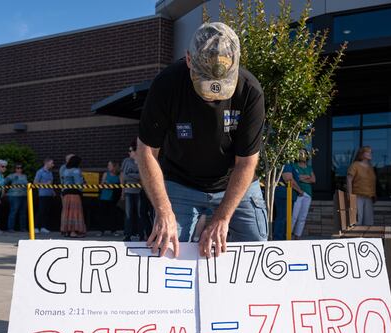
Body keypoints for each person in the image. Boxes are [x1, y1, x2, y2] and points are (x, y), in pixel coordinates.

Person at [137, 22, 266, 258]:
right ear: (188, 59)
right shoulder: (166, 86)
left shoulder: (250, 91)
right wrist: (164, 211)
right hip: (180, 181)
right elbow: (146, 152)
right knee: (165, 249)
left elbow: (246, 163)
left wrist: (223, 217)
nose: (213, 95)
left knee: (256, 249)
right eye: (205, 82)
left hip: (235, 182)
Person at [347, 146, 376, 226]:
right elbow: (349, 179)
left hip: (369, 197)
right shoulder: (355, 165)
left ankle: (367, 238)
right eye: (368, 152)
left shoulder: (370, 167)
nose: (370, 154)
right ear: (362, 154)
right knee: (357, 220)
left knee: (369, 222)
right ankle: (356, 238)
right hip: (358, 196)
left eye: (371, 152)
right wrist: (350, 195)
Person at [291, 150, 316, 239]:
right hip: (298, 193)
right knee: (294, 216)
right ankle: (288, 235)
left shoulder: (309, 167)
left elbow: (313, 180)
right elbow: (295, 178)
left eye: (304, 153)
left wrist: (301, 178)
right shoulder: (293, 166)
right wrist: (306, 177)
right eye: (300, 153)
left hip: (308, 194)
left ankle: (297, 236)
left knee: (303, 217)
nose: (302, 155)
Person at [60, 155, 86, 237]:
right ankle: (73, 231)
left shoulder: (65, 171)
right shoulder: (76, 171)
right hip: (74, 194)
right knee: (74, 212)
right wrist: (83, 183)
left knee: (66, 212)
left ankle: (67, 230)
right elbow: (78, 184)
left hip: (66, 194)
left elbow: (63, 182)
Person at [121, 141, 142, 241]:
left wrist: (131, 175)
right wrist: (123, 191)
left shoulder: (141, 161)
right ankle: (127, 234)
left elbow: (142, 176)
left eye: (130, 151)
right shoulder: (126, 161)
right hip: (128, 191)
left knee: (139, 213)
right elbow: (123, 176)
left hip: (140, 191)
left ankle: (141, 234)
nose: (129, 153)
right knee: (128, 214)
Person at [97, 161, 121, 236]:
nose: (108, 167)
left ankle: (113, 230)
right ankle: (101, 230)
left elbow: (121, 185)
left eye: (109, 165)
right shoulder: (105, 174)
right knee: (102, 214)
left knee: (113, 214)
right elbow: (101, 184)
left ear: (114, 167)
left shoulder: (119, 175)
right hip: (104, 196)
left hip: (114, 197)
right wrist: (106, 184)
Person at [34, 158, 55, 234]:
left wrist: (52, 191)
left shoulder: (50, 173)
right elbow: (35, 183)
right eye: (51, 163)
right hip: (42, 194)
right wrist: (45, 184)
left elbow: (51, 183)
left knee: (46, 211)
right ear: (46, 163)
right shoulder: (40, 172)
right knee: (41, 211)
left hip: (49, 194)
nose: (53, 165)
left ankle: (43, 227)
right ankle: (36, 227)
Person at [5, 164, 28, 232]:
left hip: (23, 195)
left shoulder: (24, 176)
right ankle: (10, 228)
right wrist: (5, 191)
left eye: (20, 168)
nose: (19, 169)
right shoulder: (11, 176)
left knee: (23, 212)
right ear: (15, 169)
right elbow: (4, 182)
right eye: (17, 168)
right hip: (14, 196)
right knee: (13, 212)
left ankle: (23, 228)